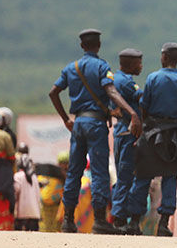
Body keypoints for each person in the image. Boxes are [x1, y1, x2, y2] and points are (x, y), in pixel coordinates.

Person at [48, 28, 141, 234]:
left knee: (74, 171)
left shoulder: (70, 68)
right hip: (96, 124)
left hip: (78, 123)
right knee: (99, 172)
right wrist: (131, 112)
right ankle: (99, 220)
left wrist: (65, 119)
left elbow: (53, 92)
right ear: (98, 45)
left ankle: (68, 220)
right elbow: (111, 90)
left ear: (82, 46)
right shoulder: (101, 66)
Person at [128, 42, 177, 237]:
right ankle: (164, 224)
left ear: (164, 57)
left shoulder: (153, 78)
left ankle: (134, 222)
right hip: (176, 134)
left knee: (142, 177)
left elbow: (144, 108)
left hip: (152, 132)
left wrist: (141, 133)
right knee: (170, 179)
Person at [109, 47, 144, 234]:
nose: (141, 66)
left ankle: (119, 216)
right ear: (130, 64)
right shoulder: (127, 82)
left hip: (119, 131)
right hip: (129, 133)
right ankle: (120, 218)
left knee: (122, 176)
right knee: (126, 177)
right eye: (139, 62)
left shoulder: (114, 79)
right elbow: (144, 100)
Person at [13, 143, 41, 231]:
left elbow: (15, 192)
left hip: (22, 214)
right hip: (34, 213)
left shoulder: (18, 176)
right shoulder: (34, 177)